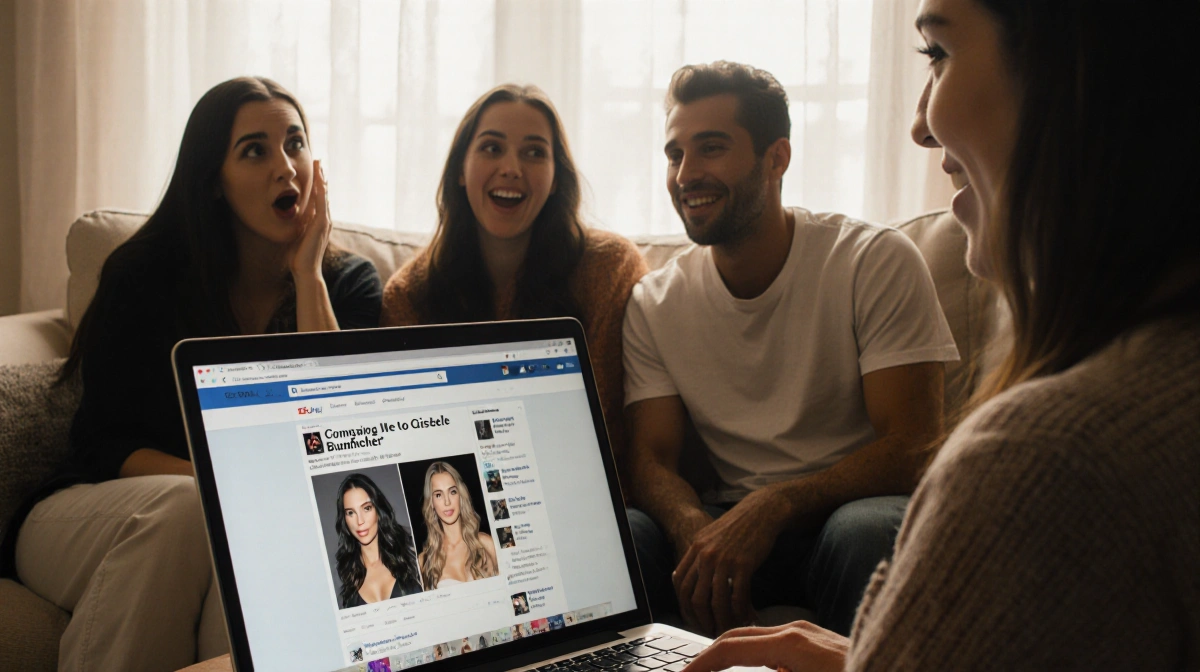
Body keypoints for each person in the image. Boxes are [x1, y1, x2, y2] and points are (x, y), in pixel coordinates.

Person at [682, 1, 1200, 670]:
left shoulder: (1048, 459)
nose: (920, 125)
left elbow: (912, 444)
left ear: (1079, 77)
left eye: (939, 54)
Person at [0, 76, 382, 671]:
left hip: (240, 528)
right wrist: (227, 487)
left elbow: (342, 431)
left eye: (295, 143)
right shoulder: (145, 276)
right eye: (254, 150)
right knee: (195, 508)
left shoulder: (346, 284)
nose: (285, 167)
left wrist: (308, 277)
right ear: (211, 181)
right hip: (93, 511)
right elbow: (104, 443)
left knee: (252, 570)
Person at [623, 60, 960, 637]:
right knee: (625, 537)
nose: (686, 174)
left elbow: (914, 447)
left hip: (849, 514)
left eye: (711, 148)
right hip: (726, 523)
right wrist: (689, 525)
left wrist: (775, 504)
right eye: (675, 154)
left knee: (865, 532)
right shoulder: (655, 301)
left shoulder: (872, 260)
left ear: (776, 158)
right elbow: (652, 458)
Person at [379, 84, 649, 473]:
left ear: (556, 179)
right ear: (460, 170)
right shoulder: (409, 294)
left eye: (534, 152)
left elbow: (612, 435)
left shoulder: (610, 268)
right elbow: (412, 442)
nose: (511, 168)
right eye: (492, 148)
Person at [334, 473, 423, 608]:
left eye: (366, 508)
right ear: (344, 519)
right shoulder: (344, 575)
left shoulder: (411, 554)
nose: (360, 521)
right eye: (351, 513)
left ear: (378, 510)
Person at [416, 461, 499, 588]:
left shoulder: (486, 543)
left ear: (460, 495)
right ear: (431, 502)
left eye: (452, 492)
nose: (447, 502)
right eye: (438, 495)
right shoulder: (424, 561)